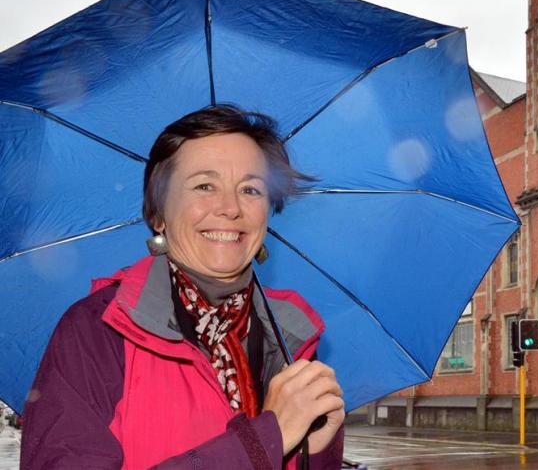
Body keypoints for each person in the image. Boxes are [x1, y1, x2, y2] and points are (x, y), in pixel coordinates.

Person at [21, 105, 345, 469]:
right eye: (205, 185)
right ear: (158, 214)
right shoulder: (96, 331)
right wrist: (267, 438)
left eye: (251, 189)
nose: (231, 208)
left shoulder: (289, 341)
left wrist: (313, 450)